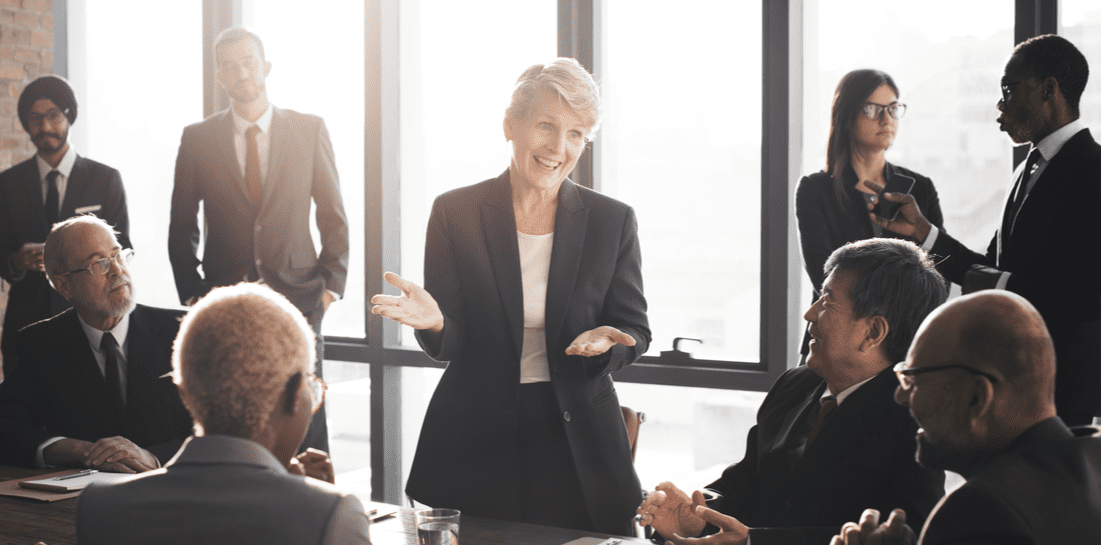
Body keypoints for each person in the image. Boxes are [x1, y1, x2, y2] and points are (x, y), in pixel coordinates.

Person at [372, 58, 648, 534]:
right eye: (546, 126)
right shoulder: (455, 212)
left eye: (577, 134)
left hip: (576, 438)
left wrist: (610, 344)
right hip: (476, 433)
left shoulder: (612, 221)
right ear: (510, 125)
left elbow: (635, 328)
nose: (559, 148)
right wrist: (437, 323)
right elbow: (453, 340)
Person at [637, 238, 946, 544]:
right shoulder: (796, 384)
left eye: (827, 301)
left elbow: (910, 535)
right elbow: (746, 483)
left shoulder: (915, 417)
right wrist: (697, 514)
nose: (809, 314)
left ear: (873, 333)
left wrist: (756, 542)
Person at [869, 34, 1100, 426]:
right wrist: (924, 232)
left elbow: (1087, 295)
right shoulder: (1025, 171)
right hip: (1010, 383)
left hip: (1061, 397)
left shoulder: (1094, 172)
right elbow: (988, 268)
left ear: (1049, 89)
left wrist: (1000, 286)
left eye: (1009, 90)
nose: (999, 107)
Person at [76, 283, 370, 545]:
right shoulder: (331, 515)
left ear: (184, 393)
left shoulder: (99, 508)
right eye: (312, 388)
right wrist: (319, 504)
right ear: (294, 395)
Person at [168, 27, 348, 453]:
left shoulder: (308, 129)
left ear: (265, 67)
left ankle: (316, 504)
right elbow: (181, 224)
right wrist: (194, 295)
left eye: (248, 62)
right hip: (225, 299)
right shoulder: (197, 138)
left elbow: (333, 216)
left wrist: (329, 291)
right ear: (219, 77)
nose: (241, 72)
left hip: (300, 299)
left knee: (305, 412)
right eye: (229, 65)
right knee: (231, 413)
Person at [830, 291, 1101, 545]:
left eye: (913, 380)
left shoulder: (980, 511)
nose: (900, 396)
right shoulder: (1093, 459)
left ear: (976, 396)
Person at [0, 215, 191, 471]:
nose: (117, 271)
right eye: (98, 263)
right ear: (64, 285)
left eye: (118, 256)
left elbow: (226, 428)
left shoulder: (182, 330)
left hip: (174, 493)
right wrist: (80, 450)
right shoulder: (43, 344)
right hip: (83, 501)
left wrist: (153, 458)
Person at [0, 75, 131, 377]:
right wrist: (17, 260)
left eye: (54, 115)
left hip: (91, 318)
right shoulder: (8, 184)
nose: (45, 126)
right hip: (27, 320)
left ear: (69, 116)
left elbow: (125, 247)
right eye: (35, 118)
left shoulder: (105, 179)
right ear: (27, 124)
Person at [796, 69, 943, 356]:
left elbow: (937, 270)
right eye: (873, 109)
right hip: (835, 338)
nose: (886, 119)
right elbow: (823, 273)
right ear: (847, 116)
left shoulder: (920, 188)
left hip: (903, 342)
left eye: (892, 108)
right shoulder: (816, 189)